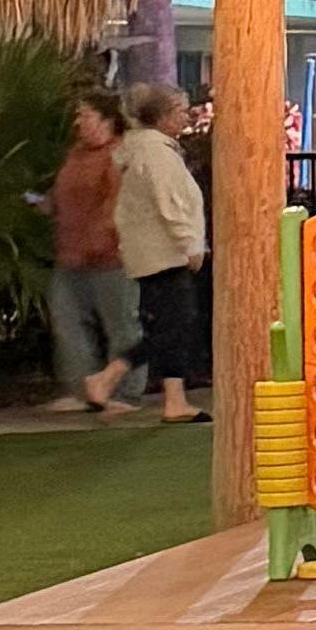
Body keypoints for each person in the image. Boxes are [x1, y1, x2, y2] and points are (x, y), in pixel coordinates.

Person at [112, 84, 208, 422]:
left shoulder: (148, 150)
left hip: (154, 252)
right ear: (163, 116)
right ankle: (111, 375)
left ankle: (173, 398)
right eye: (180, 111)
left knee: (172, 325)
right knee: (173, 326)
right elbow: (170, 205)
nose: (186, 116)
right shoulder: (156, 154)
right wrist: (189, 244)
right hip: (164, 254)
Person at [43, 87, 138, 412]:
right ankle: (81, 388)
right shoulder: (76, 154)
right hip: (70, 252)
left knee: (121, 324)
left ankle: (124, 392)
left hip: (110, 257)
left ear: (106, 120)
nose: (79, 122)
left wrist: (101, 236)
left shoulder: (118, 154)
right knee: (67, 321)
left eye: (85, 115)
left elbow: (117, 202)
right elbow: (64, 194)